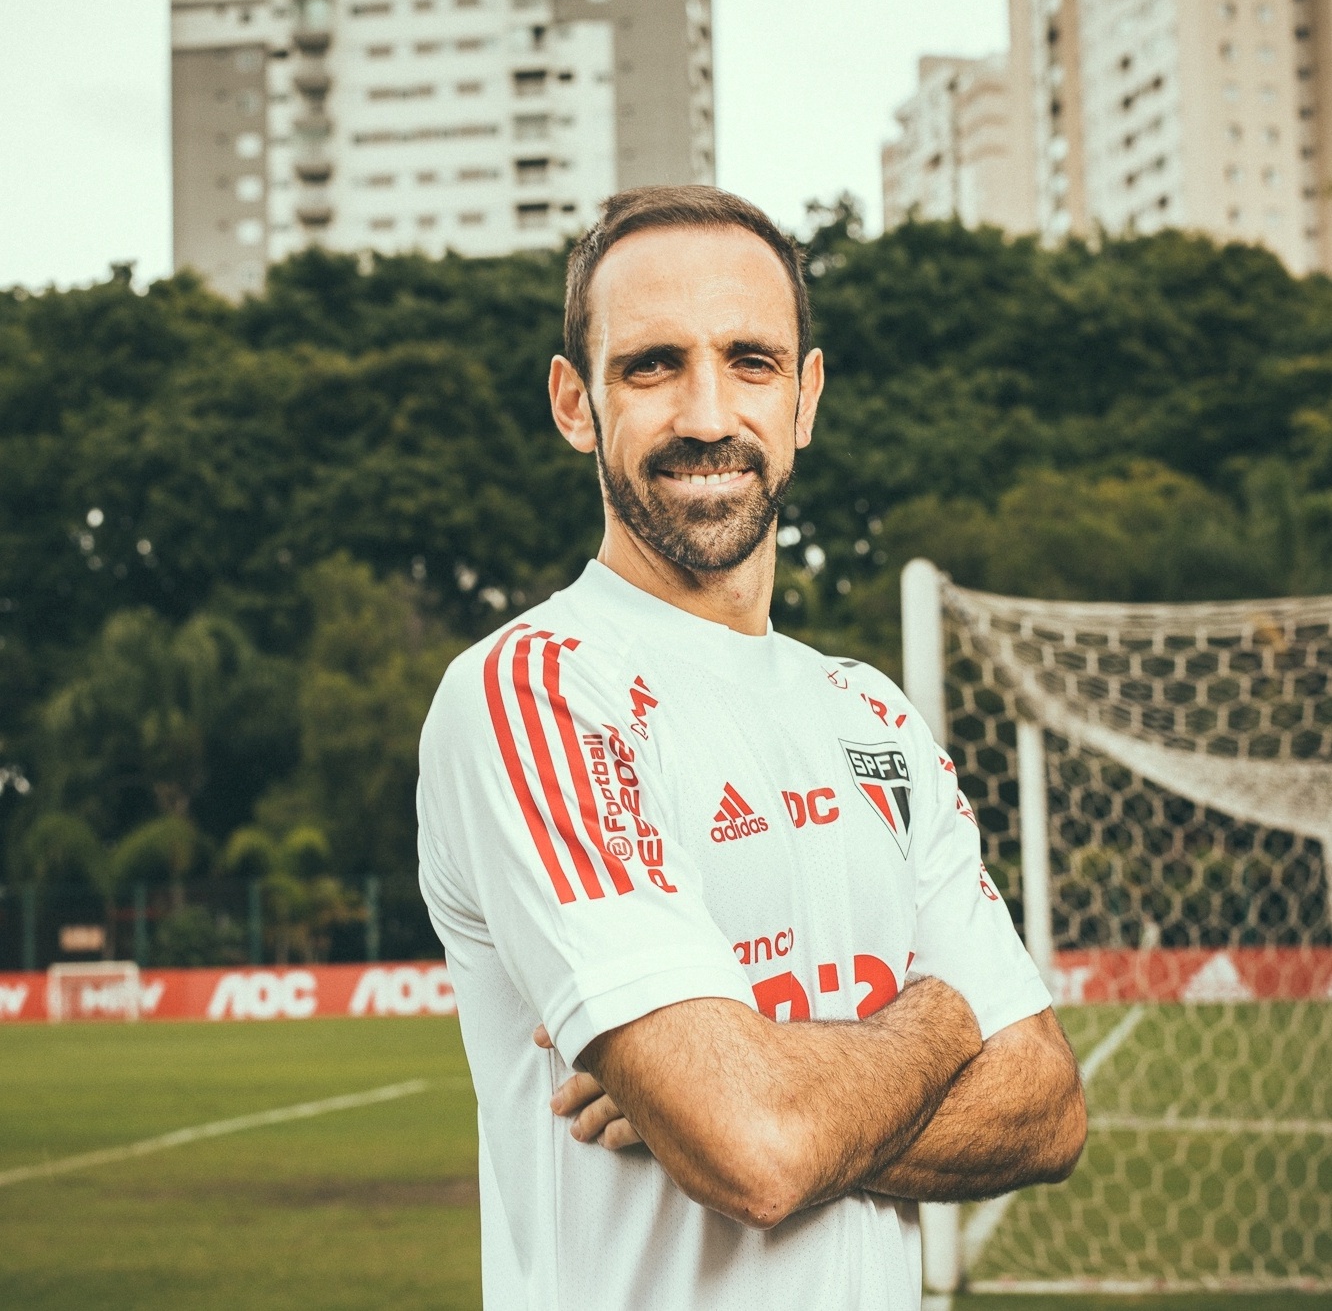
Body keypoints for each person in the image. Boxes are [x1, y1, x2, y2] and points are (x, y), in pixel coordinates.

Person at [417, 185, 1086, 1310]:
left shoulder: (869, 713)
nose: (707, 413)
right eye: (652, 366)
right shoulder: (533, 691)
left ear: (806, 396)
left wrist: (759, 1084)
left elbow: (1046, 1107)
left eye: (751, 361)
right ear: (573, 402)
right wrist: (940, 1017)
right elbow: (758, 1149)